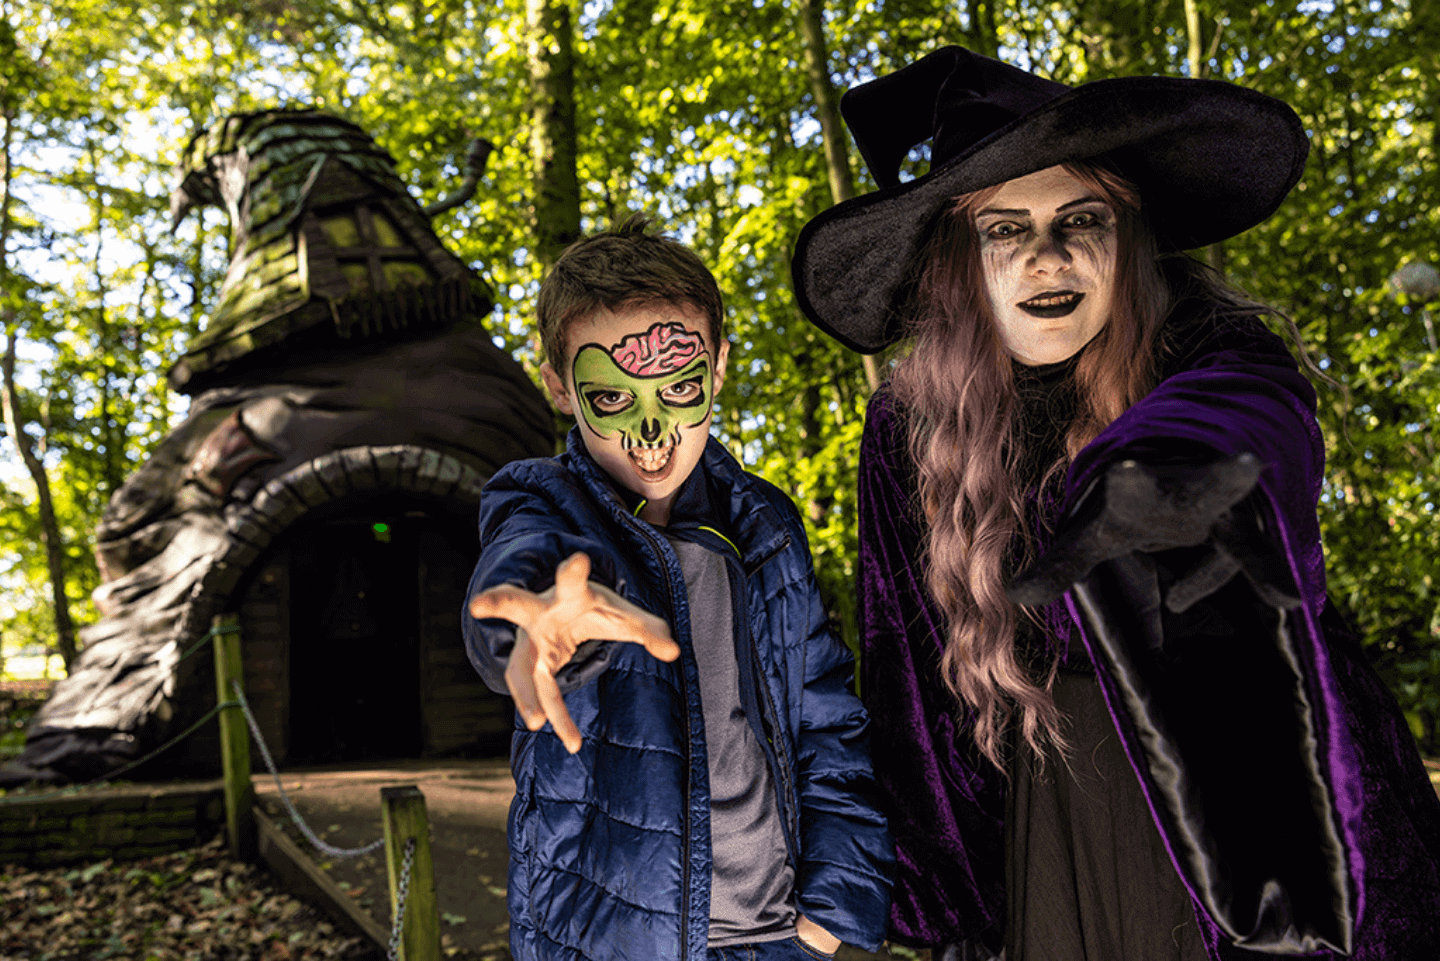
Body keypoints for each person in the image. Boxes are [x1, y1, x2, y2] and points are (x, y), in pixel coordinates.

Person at [790, 46, 1440, 961]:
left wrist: (1148, 482)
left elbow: (1240, 431)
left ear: (1126, 231)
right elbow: (914, 690)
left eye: (1078, 219)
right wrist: (900, 889)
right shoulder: (913, 424)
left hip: (1244, 791)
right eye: (1004, 230)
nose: (1046, 256)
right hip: (1048, 826)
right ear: (956, 261)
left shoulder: (1216, 354)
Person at [462, 216, 894, 961]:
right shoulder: (541, 500)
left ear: (719, 369)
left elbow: (829, 718)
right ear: (559, 388)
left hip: (778, 937)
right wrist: (534, 624)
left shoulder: (766, 526)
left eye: (679, 386)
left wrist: (833, 908)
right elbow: (518, 567)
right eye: (614, 399)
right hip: (604, 941)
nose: (652, 428)